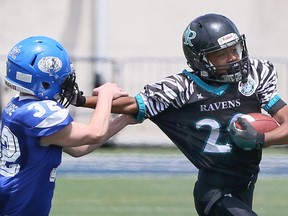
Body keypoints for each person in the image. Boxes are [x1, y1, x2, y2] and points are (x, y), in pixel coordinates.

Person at [75, 13, 288, 215]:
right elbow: (131, 105)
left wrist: (261, 139)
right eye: (221, 54)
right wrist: (80, 100)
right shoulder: (181, 88)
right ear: (199, 60)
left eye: (234, 49)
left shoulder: (254, 75)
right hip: (215, 191)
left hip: (246, 182)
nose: (232, 58)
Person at [0, 36, 134, 216]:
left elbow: (80, 148)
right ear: (44, 81)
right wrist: (106, 94)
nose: (66, 85)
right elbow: (95, 133)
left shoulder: (19, 106)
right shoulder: (37, 114)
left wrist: (124, 119)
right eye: (63, 79)